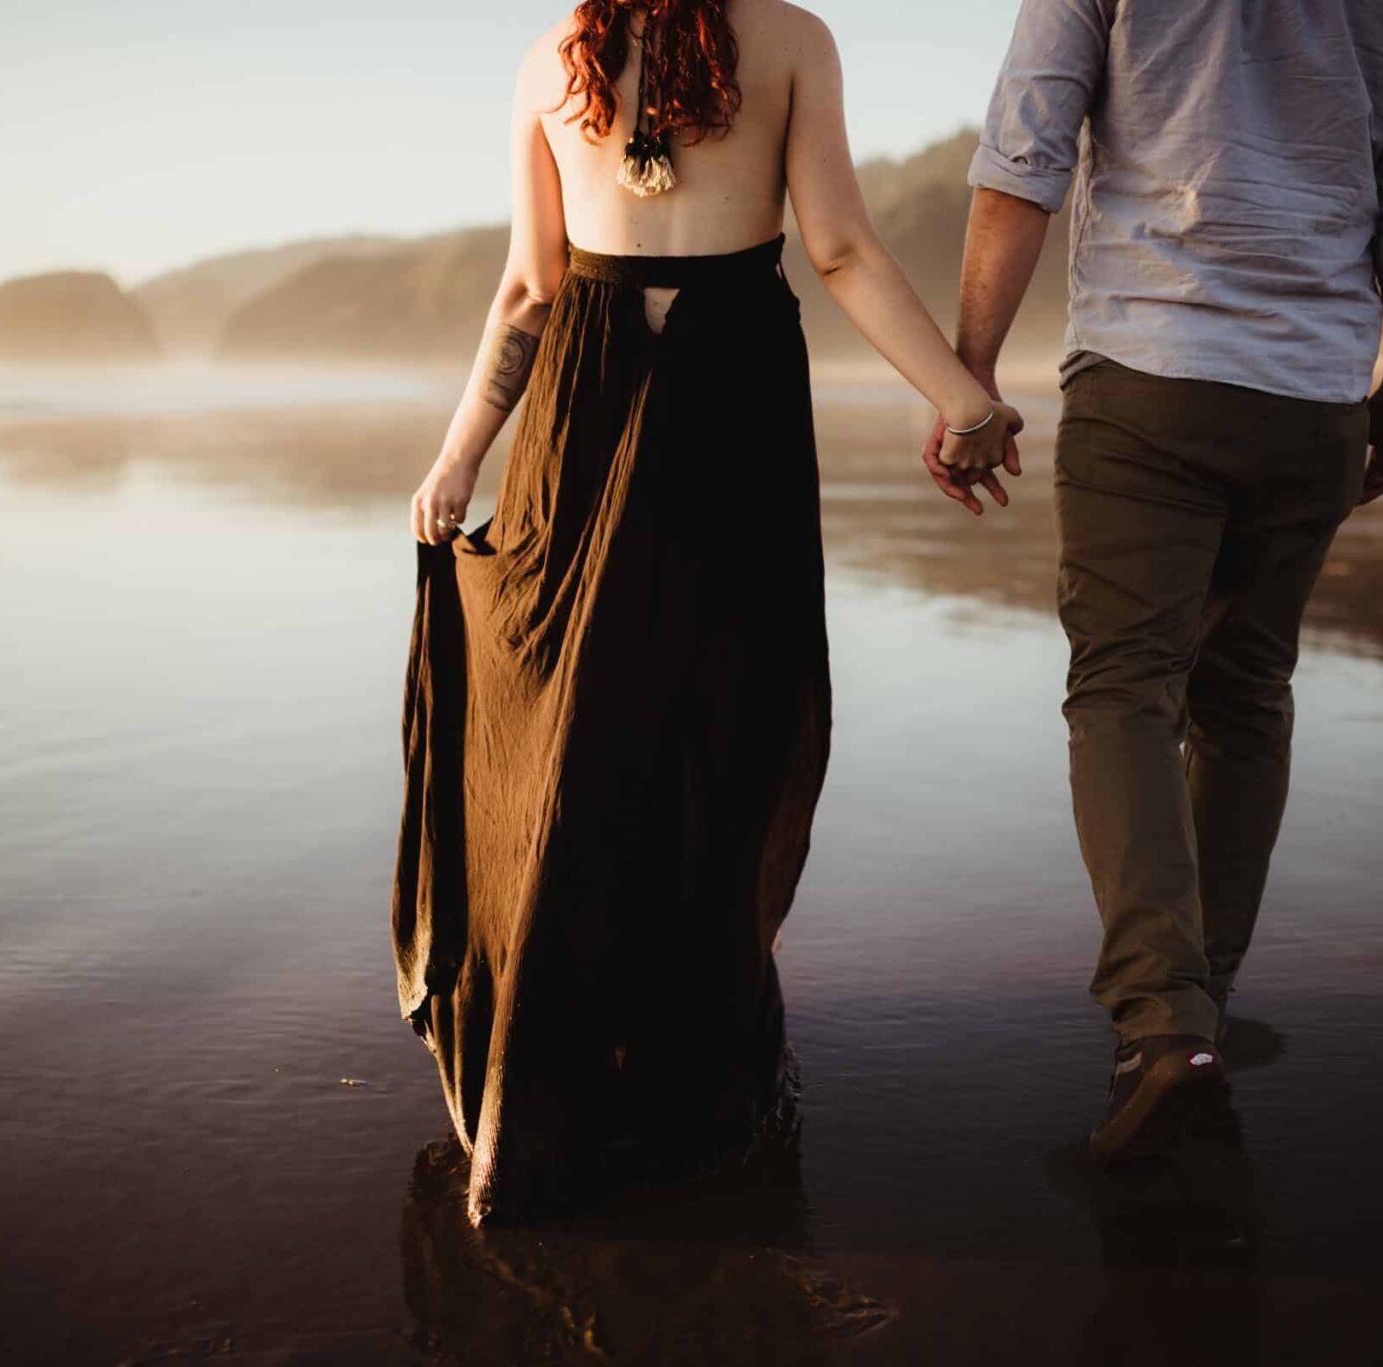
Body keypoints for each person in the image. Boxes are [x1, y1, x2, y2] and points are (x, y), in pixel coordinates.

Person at [393, 0, 1021, 1224]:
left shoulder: (544, 61)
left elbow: (527, 288)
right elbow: (836, 250)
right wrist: (962, 398)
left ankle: (557, 1067)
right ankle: (691, 1069)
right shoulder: (790, 40)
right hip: (732, 384)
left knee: (578, 717)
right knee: (726, 712)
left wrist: (460, 456)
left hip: (585, 389)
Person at [939, 0, 1383, 1162]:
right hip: (1314, 393)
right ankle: (1198, 1009)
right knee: (1243, 694)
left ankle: (1160, 1024)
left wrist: (968, 368)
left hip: (1148, 370)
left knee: (1124, 688)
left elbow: (1023, 153)